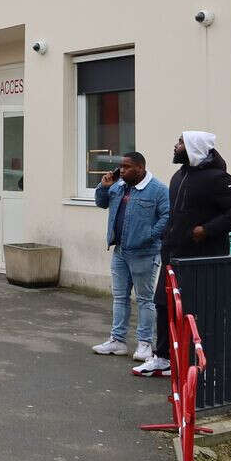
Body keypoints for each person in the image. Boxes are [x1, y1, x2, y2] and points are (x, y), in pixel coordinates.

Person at [134, 130, 231, 376]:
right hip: (173, 255)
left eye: (180, 143)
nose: (175, 146)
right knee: (163, 306)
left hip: (201, 259)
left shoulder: (218, 178)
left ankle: (205, 363)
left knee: (199, 311)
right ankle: (164, 357)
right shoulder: (179, 176)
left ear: (193, 148)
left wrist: (207, 230)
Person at [91, 152, 169, 362]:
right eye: (121, 167)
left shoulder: (158, 190)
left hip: (144, 253)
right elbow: (102, 203)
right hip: (120, 251)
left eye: (127, 167)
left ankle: (145, 343)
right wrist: (104, 186)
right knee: (120, 297)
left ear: (140, 169)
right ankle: (117, 341)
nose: (122, 170)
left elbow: (167, 216)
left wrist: (149, 236)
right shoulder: (118, 186)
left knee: (144, 299)